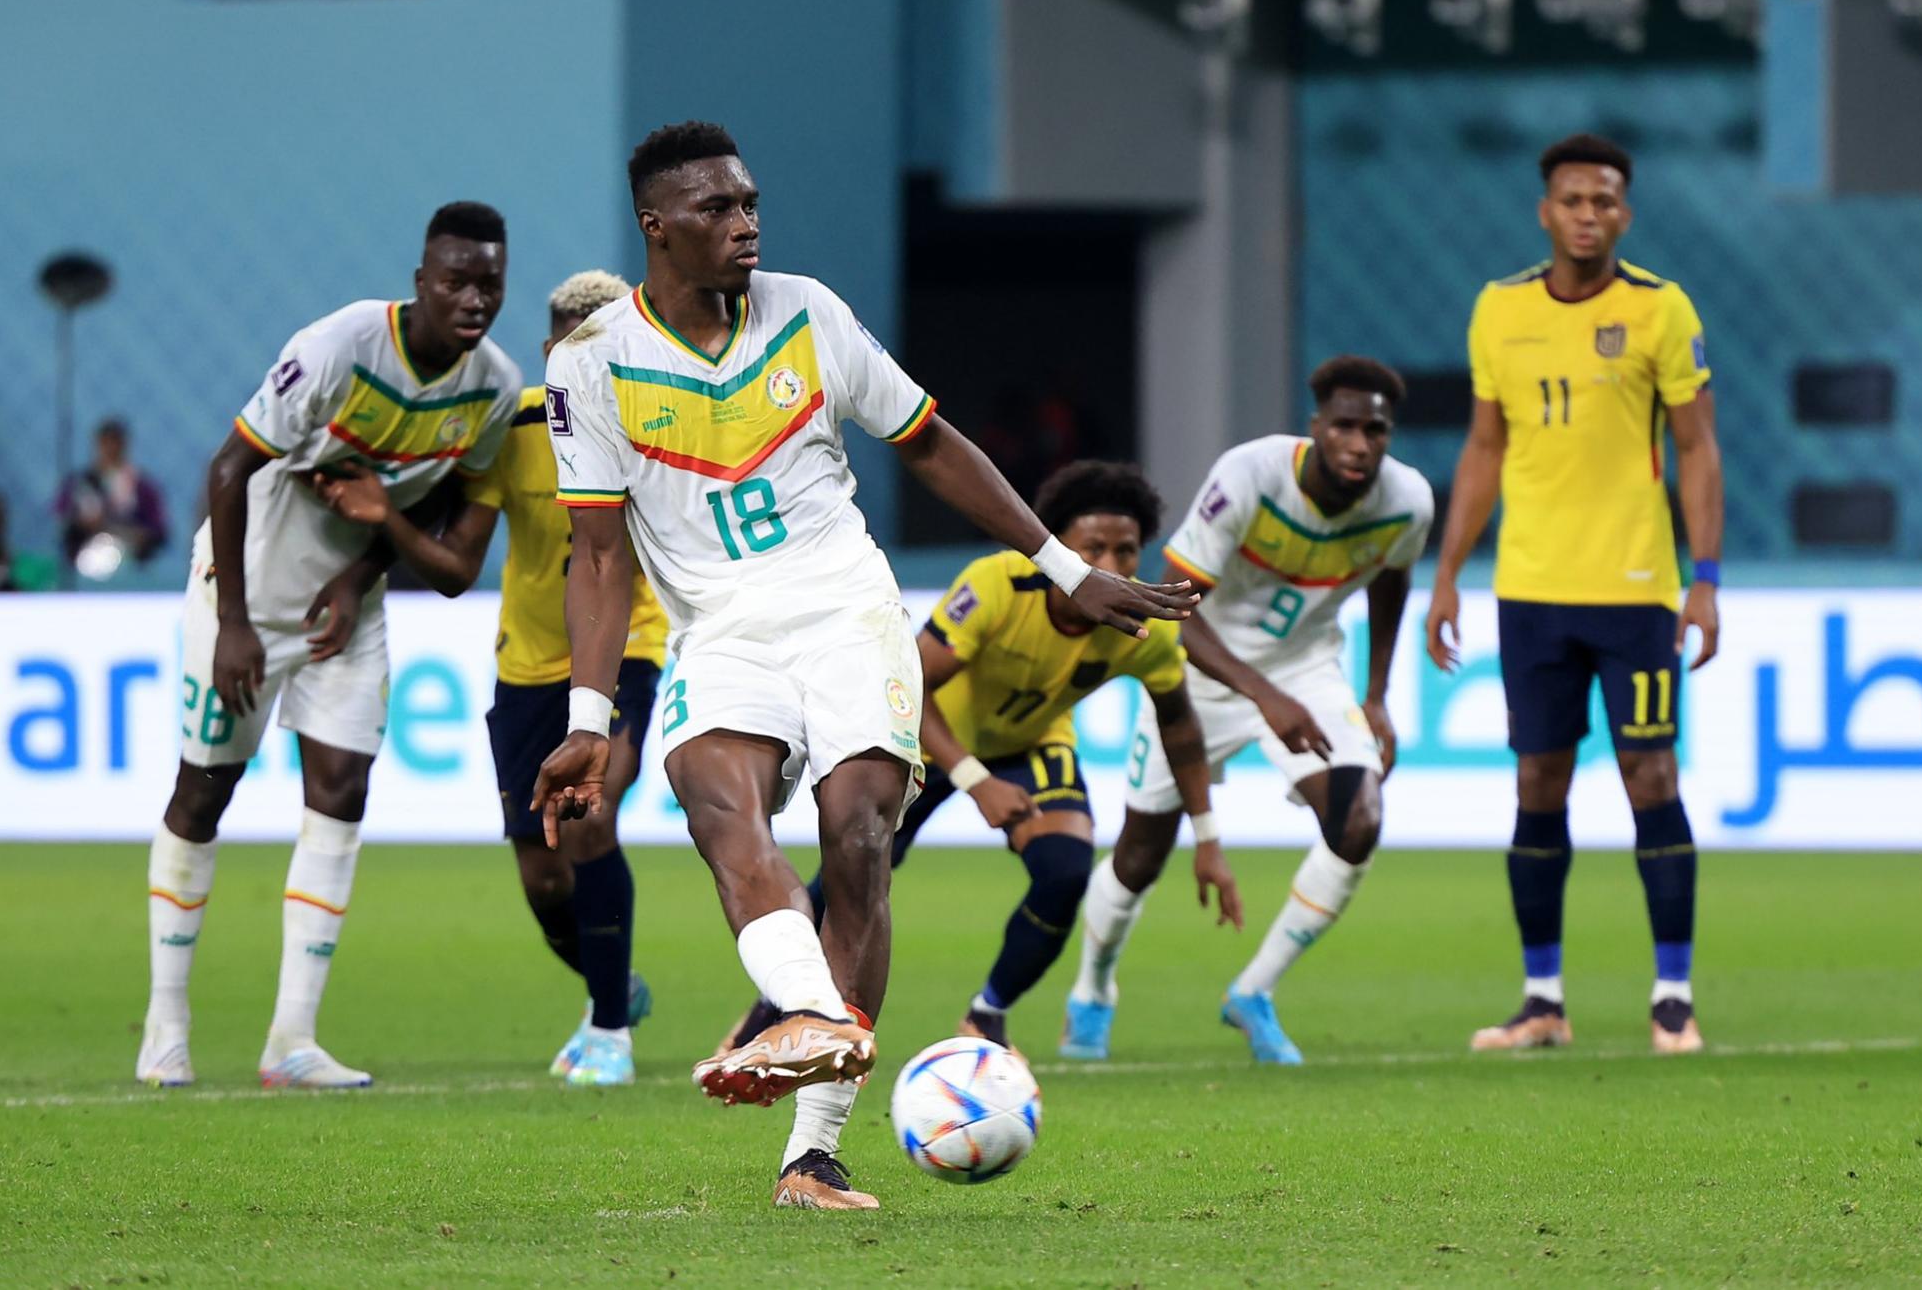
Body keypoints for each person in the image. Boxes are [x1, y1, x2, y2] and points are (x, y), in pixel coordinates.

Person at [533, 121, 1193, 1210]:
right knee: (717, 811)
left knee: (857, 837)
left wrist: (1066, 568)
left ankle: (812, 1154)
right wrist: (587, 720)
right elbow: (599, 554)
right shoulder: (588, 362)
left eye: (750, 203)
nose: (745, 224)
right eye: (715, 209)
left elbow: (928, 441)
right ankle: (814, 1015)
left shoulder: (809, 313)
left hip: (847, 609)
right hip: (720, 629)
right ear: (656, 226)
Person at [134, 202, 521, 1091]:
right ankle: (165, 1025)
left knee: (342, 791)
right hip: (246, 593)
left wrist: (358, 578)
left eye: (490, 284)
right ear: (420, 282)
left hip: (345, 608)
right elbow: (228, 468)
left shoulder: (493, 389)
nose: (474, 299)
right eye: (456, 281)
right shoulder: (342, 346)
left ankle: (292, 1040)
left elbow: (437, 507)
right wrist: (235, 622)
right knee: (204, 791)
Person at [723, 460, 1236, 1058]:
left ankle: (987, 1016)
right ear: (1057, 549)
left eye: (1126, 551)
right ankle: (772, 1009)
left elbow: (1180, 726)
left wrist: (1207, 836)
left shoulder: (1140, 625)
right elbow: (911, 683)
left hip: (1030, 743)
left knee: (1066, 872)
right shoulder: (998, 584)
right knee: (855, 868)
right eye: (1092, 548)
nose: (1112, 565)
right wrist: (975, 779)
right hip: (923, 737)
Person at [314, 270, 666, 1087]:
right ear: (549, 353)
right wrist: (384, 519)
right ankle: (611, 986)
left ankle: (609, 1030)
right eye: (578, 352)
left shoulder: (664, 428)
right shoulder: (512, 429)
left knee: (590, 819)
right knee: (543, 878)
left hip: (628, 650)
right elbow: (456, 566)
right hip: (527, 669)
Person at [1425, 133, 1722, 1055]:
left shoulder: (1661, 308)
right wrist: (1447, 574)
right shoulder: (1499, 309)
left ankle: (1672, 997)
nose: (1588, 215)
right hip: (1531, 591)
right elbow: (1485, 447)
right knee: (1537, 781)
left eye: (1604, 201)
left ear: (1624, 214)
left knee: (1651, 776)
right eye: (1573, 200)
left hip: (1636, 590)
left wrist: (1705, 580)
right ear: (1545, 212)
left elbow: (1697, 448)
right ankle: (1542, 1000)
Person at [1062, 356, 1434, 1065]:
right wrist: (1265, 697)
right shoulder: (1250, 477)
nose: (1360, 444)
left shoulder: (1407, 501)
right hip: (1200, 671)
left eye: (1376, 431)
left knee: (1359, 819)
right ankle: (1093, 991)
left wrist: (1377, 694)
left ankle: (1254, 992)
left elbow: (1393, 578)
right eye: (1346, 427)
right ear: (1316, 426)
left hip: (1305, 668)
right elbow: (1175, 606)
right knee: (1140, 856)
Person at [54, 417, 170, 574]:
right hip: (83, 563)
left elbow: (158, 530)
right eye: (105, 444)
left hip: (132, 565)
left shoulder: (143, 487)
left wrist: (130, 533)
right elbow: (61, 519)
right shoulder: (79, 484)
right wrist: (83, 522)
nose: (111, 450)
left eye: (116, 443)